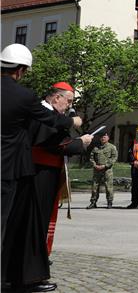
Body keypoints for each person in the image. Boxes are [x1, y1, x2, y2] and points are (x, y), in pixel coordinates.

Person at [2, 76, 86, 293]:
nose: (69, 106)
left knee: (30, 226)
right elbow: (53, 144)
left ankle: (17, 276)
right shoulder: (43, 113)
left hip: (41, 174)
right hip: (37, 174)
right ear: (56, 97)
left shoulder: (46, 113)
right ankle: (29, 279)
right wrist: (80, 143)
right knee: (32, 226)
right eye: (68, 102)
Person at [1, 44, 78, 241]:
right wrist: (73, 121)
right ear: (20, 70)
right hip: (8, 168)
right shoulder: (24, 96)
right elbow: (50, 119)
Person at [88, 130, 117, 209]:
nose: (103, 138)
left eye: (104, 137)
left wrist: (105, 166)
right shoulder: (96, 148)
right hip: (97, 170)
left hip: (107, 170)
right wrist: (94, 165)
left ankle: (109, 202)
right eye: (101, 137)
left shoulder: (112, 147)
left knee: (109, 187)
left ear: (108, 138)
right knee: (95, 187)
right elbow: (91, 158)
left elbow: (114, 158)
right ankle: (93, 202)